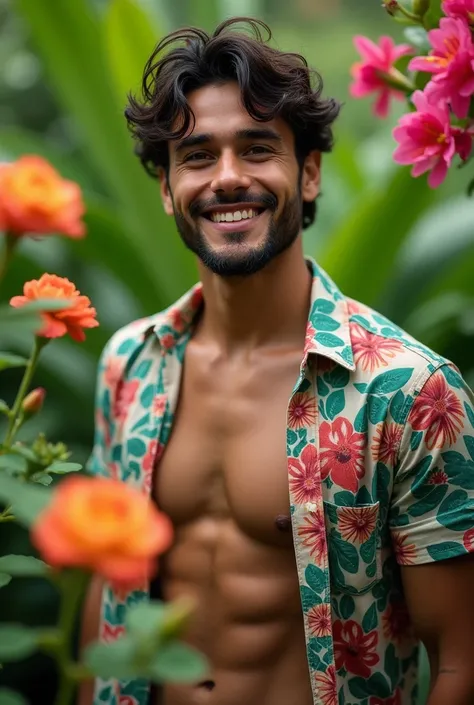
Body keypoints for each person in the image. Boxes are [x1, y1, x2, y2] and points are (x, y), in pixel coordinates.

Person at [79, 17, 474, 705]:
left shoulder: (409, 391)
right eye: (197, 156)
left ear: (311, 172)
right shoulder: (128, 366)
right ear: (168, 188)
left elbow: (460, 662)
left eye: (257, 149)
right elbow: (105, 599)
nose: (228, 178)